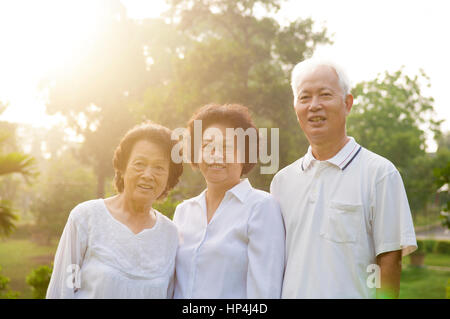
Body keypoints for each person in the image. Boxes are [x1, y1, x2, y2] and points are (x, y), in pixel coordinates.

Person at [270, 58, 417, 299]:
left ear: (347, 103)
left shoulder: (379, 173)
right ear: (295, 107)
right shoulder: (281, 182)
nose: (314, 105)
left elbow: (390, 261)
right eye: (304, 97)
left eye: (325, 95)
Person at [46, 121, 183, 298]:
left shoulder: (170, 234)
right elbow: (62, 290)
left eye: (159, 167)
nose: (148, 175)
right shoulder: (85, 218)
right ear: (123, 168)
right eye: (139, 163)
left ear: (168, 178)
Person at [173, 103, 285, 298]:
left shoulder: (261, 207)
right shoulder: (184, 212)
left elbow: (265, 292)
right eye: (207, 145)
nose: (216, 155)